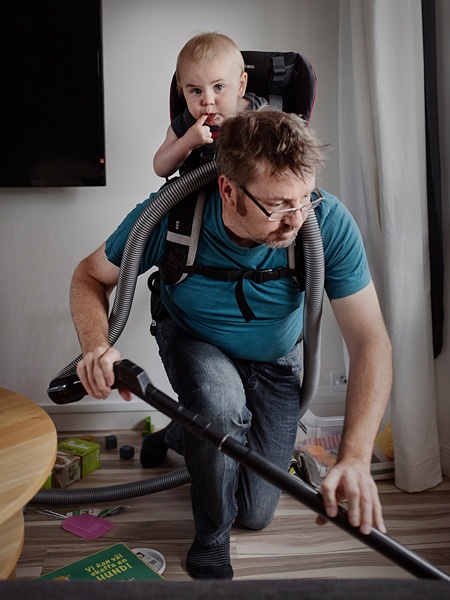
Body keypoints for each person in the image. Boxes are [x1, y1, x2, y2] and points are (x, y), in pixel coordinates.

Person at [71, 109, 392, 580]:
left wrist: (356, 457)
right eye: (279, 205)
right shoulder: (171, 214)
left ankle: (183, 433)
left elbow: (371, 341)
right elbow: (89, 276)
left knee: (256, 513)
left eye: (304, 199)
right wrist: (96, 346)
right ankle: (210, 540)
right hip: (195, 341)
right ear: (228, 190)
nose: (296, 220)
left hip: (275, 359)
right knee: (220, 406)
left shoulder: (325, 223)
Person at [153, 32, 267, 178]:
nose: (207, 100)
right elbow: (160, 168)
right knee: (149, 202)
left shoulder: (259, 113)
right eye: (196, 91)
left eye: (218, 87)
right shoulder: (187, 123)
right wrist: (186, 143)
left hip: (242, 194)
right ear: (182, 90)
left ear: (240, 85)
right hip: (197, 194)